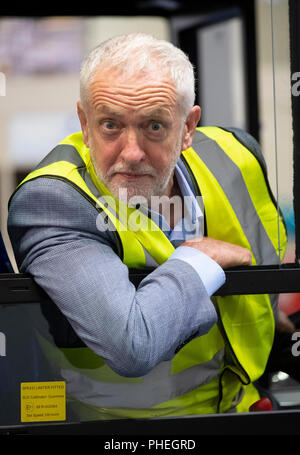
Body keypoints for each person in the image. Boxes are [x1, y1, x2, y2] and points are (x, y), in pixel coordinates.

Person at [7, 33, 287, 419]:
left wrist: (273, 319)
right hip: (115, 431)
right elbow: (131, 344)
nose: (132, 152)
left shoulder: (236, 158)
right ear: (84, 124)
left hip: (241, 408)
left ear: (188, 128)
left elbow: (257, 273)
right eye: (110, 125)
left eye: (154, 126)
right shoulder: (54, 201)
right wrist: (198, 260)